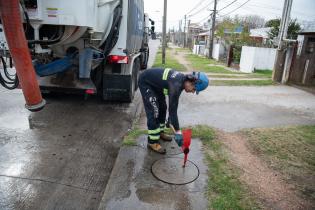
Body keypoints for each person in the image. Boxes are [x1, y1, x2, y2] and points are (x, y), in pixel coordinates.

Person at [138, 68, 209, 154]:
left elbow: (172, 107)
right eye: (194, 89)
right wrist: (178, 131)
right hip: (146, 82)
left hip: (156, 85)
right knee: (154, 111)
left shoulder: (182, 81)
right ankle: (152, 142)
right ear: (192, 82)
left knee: (163, 107)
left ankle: (160, 132)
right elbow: (173, 111)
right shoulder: (176, 85)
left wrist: (170, 119)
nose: (193, 92)